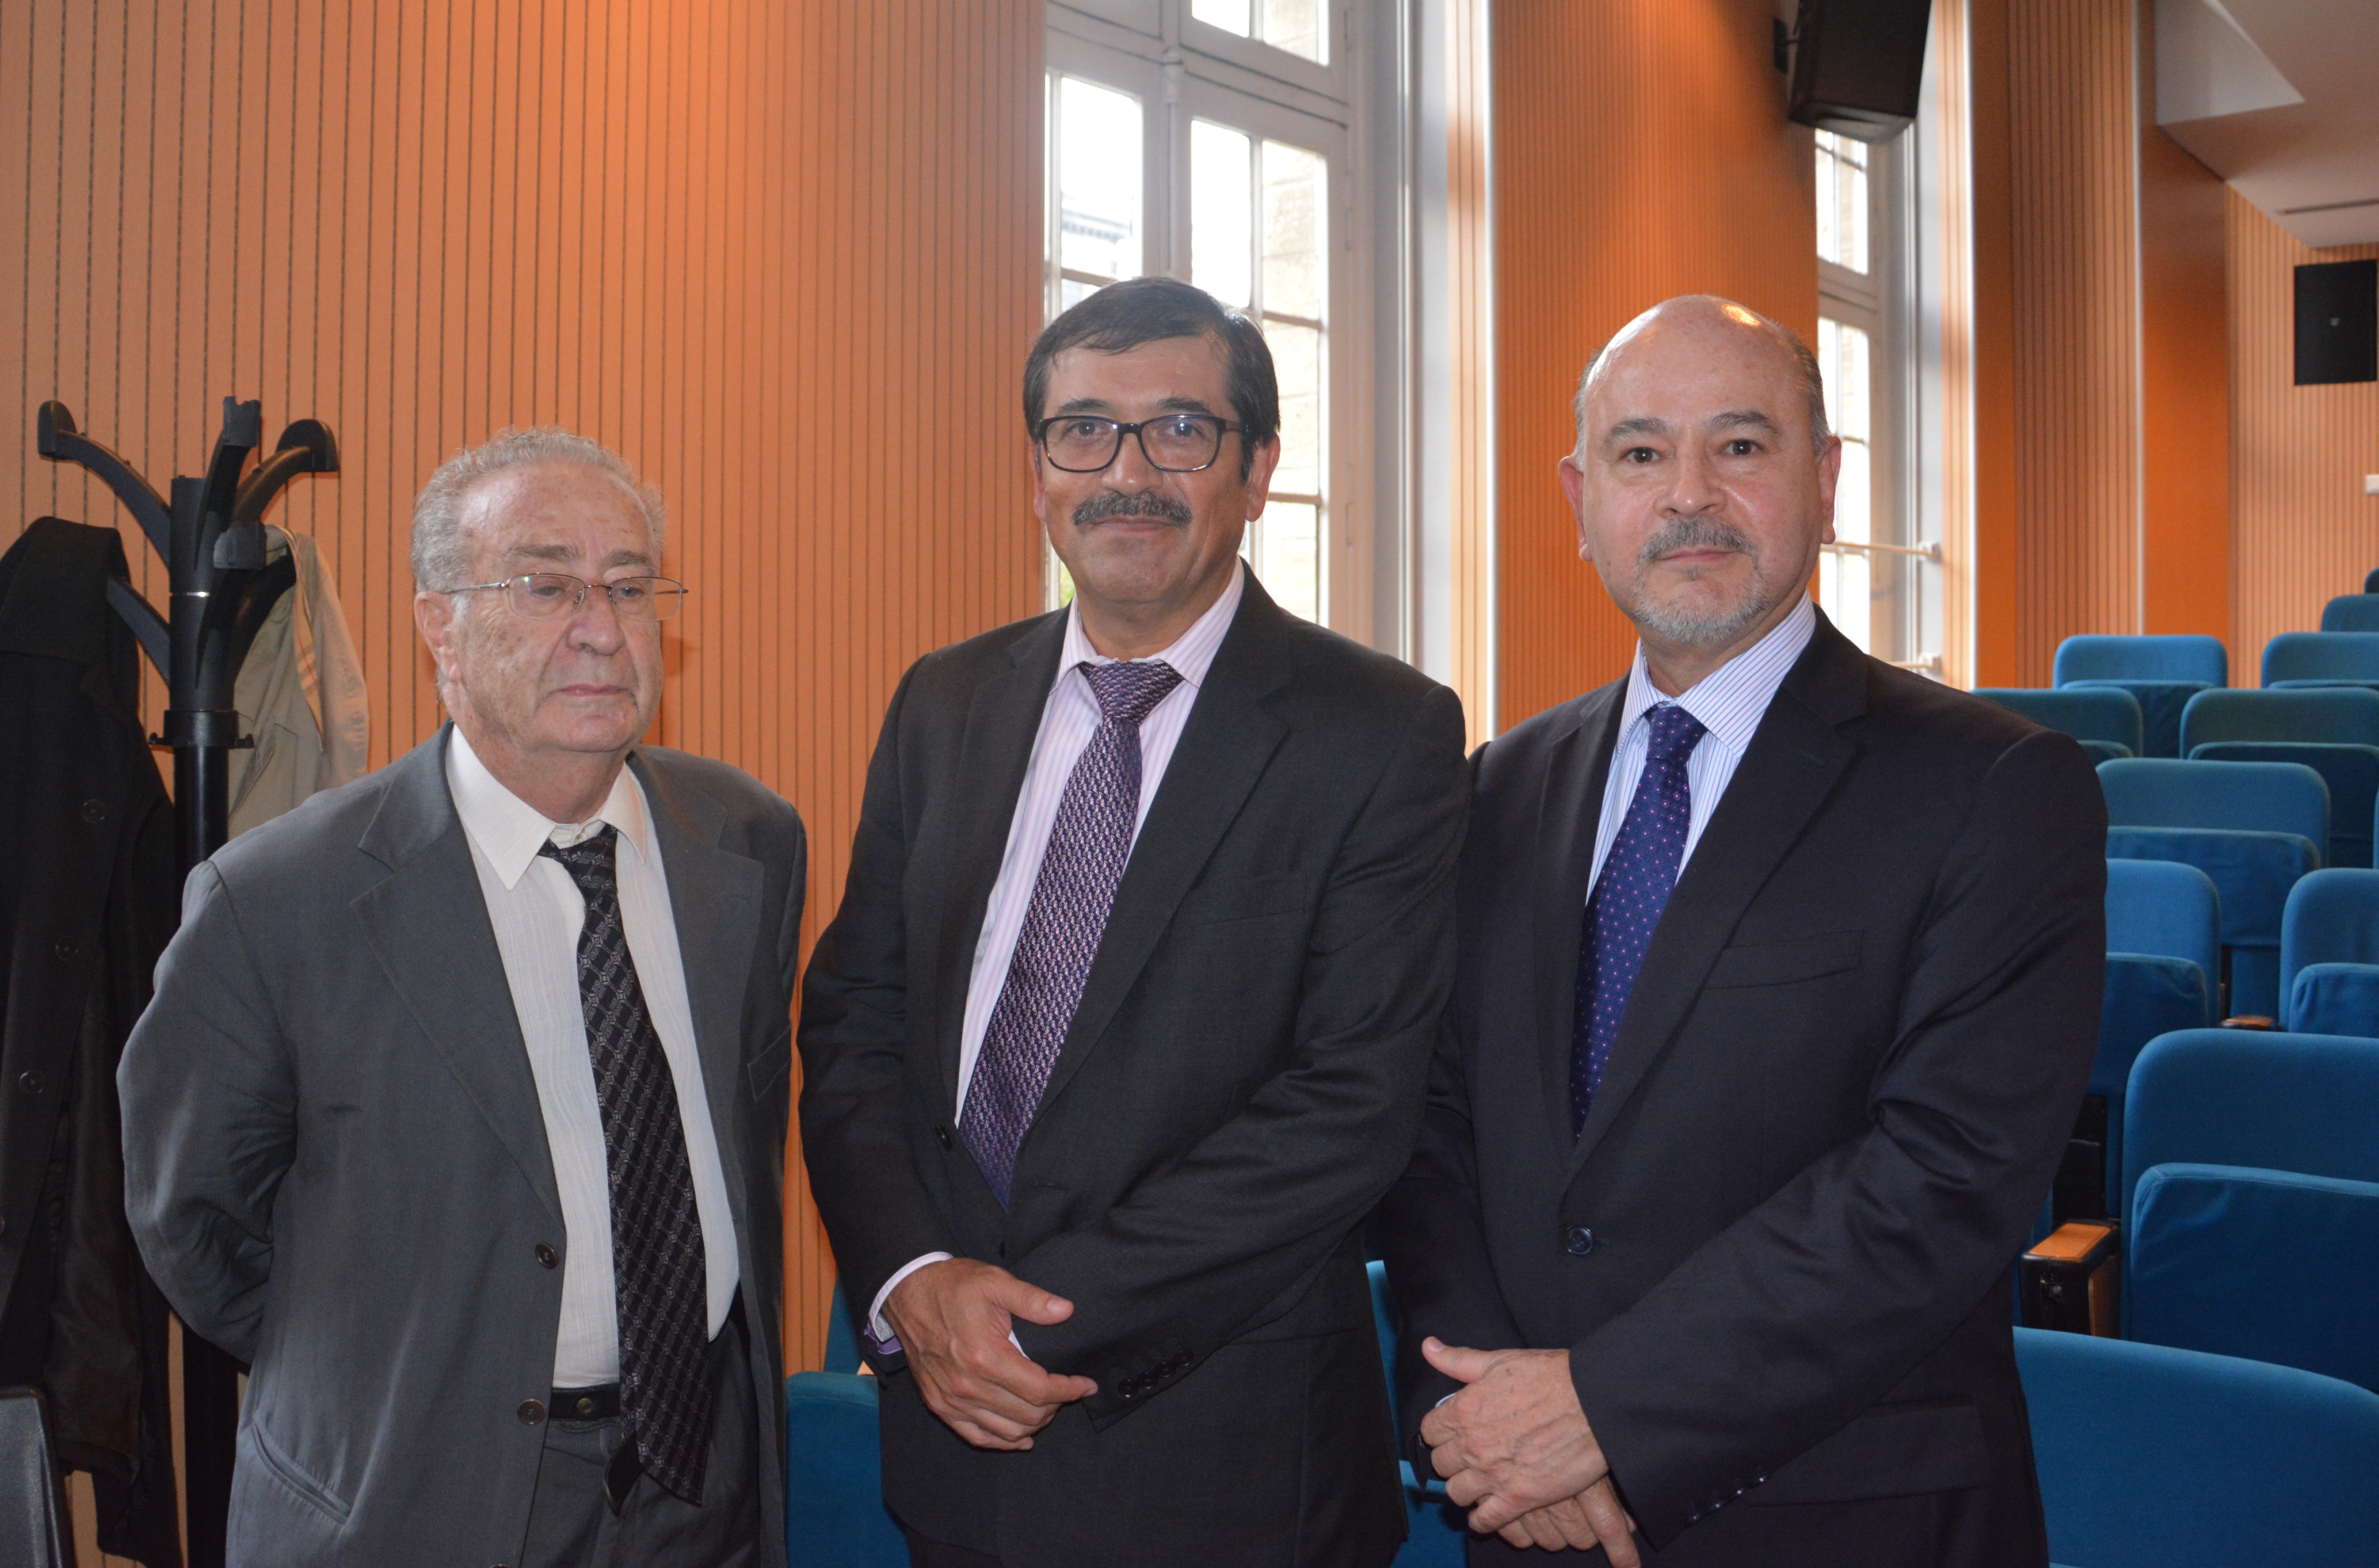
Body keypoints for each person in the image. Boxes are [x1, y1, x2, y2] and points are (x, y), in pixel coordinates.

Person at [1378, 296, 2103, 1566]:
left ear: (1825, 484)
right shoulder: (1499, 786)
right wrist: (1472, 1405)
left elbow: (1942, 1178)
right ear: (1581, 495)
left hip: (1840, 1509)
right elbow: (1434, 1128)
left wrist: (1598, 1411)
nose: (1689, 497)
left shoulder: (1995, 787)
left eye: (1744, 447)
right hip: (1526, 1512)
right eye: (1642, 454)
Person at [799, 276, 1470, 1568]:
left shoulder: (1383, 732)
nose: (1129, 472)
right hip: (951, 1441)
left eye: (1181, 429)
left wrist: (1022, 1329)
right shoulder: (944, 701)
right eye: (1085, 430)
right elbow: (856, 1020)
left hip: (1225, 1455)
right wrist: (911, 1287)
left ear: (1258, 467)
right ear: (1039, 467)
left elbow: (1352, 1100)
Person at [120, 430, 806, 1568]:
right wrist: (387, 1369)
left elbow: (742, 1138)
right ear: (439, 623)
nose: (601, 624)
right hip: (417, 1496)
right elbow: (193, 1221)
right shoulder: (278, 898)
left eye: (630, 585)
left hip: (705, 1485)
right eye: (546, 584)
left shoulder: (745, 842)